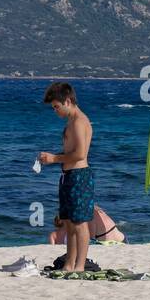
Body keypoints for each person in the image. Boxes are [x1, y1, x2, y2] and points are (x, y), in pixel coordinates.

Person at [37, 82, 94, 273]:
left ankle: (79, 266)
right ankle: (69, 264)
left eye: (56, 107)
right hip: (68, 176)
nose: (55, 111)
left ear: (68, 101)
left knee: (79, 223)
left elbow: (80, 154)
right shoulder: (71, 122)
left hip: (79, 176)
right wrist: (53, 158)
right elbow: (70, 151)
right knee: (68, 223)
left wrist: (54, 158)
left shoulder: (79, 121)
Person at [48, 205, 125, 245]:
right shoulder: (93, 209)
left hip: (115, 243)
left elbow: (91, 240)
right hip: (122, 240)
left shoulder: (89, 216)